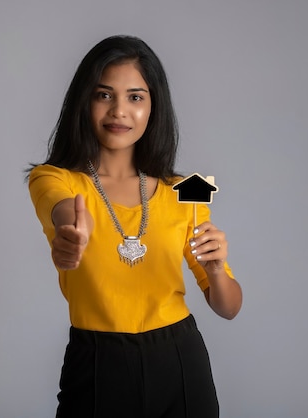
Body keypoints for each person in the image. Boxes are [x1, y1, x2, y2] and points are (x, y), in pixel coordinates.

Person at [27, 35, 242, 418]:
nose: (119, 111)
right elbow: (64, 211)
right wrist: (71, 234)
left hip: (179, 359)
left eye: (135, 97)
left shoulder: (184, 192)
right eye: (104, 95)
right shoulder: (54, 179)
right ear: (84, 101)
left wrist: (215, 270)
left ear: (153, 107)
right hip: (97, 361)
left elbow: (228, 308)